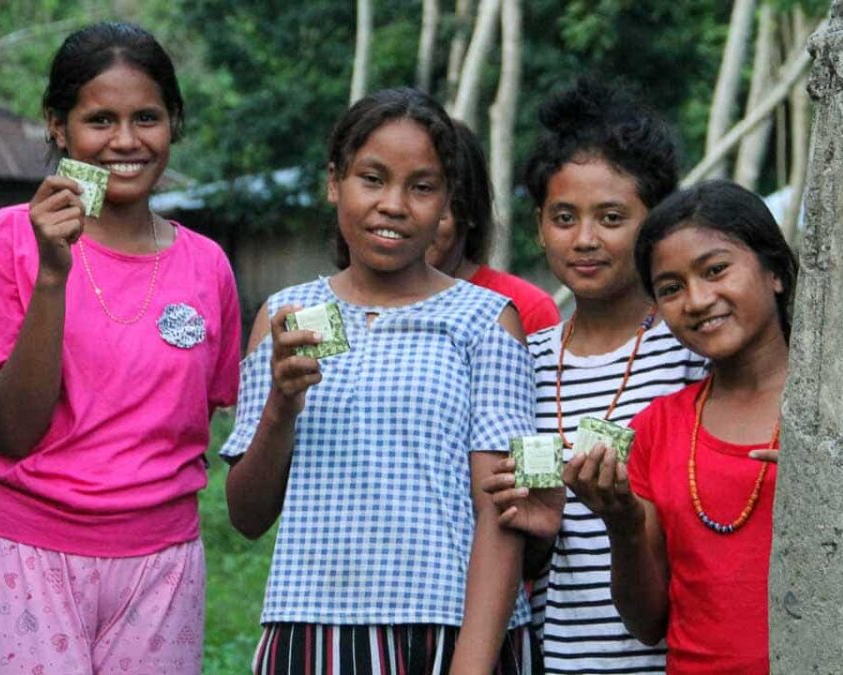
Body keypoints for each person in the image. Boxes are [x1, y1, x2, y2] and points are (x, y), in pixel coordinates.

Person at [221, 87, 559, 674]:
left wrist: (472, 666)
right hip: (311, 631)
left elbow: (504, 512)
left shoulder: (484, 318)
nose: (394, 205)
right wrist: (280, 405)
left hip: (448, 634)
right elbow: (247, 516)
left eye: (421, 187)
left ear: (447, 201)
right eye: (372, 178)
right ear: (335, 183)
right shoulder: (288, 316)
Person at [0, 22, 240, 674]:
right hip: (26, 554)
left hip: (163, 564)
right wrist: (53, 273)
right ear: (58, 127)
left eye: (147, 117)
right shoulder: (10, 240)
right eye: (100, 119)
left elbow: (213, 424)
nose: (126, 140)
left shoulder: (208, 266)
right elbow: (12, 430)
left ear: (174, 122)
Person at [482, 78, 706, 674]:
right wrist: (538, 533)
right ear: (538, 225)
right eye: (563, 217)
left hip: (674, 658)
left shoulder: (692, 353)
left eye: (611, 217)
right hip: (553, 660)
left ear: (654, 224)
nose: (585, 239)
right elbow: (518, 552)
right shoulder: (519, 360)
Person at [565, 180, 795, 674]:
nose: (696, 299)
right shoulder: (658, 428)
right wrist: (622, 525)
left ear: (774, 269)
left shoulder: (840, 417)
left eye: (716, 270)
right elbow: (648, 622)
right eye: (670, 289)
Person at [425, 120, 559, 334]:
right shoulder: (356, 304)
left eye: (426, 191)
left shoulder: (525, 309)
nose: (416, 222)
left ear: (470, 209)